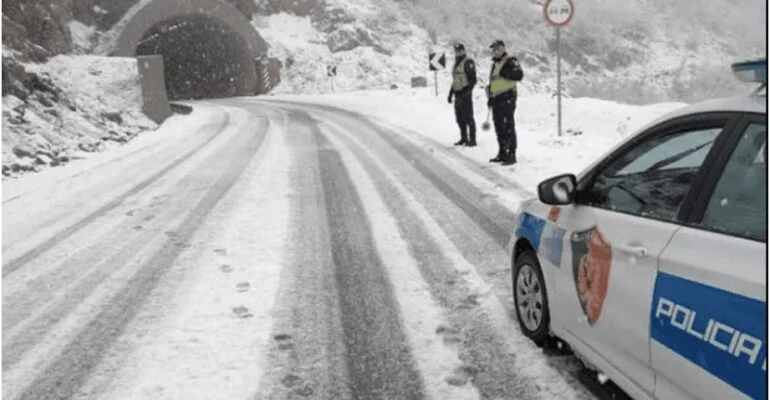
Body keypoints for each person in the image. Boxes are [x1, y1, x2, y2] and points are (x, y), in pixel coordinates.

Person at [486, 40, 523, 165]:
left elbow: (519, 75)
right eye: (494, 49)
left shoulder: (510, 61)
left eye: (497, 49)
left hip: (507, 97)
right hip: (496, 98)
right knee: (499, 127)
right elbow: (493, 82)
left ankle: (511, 155)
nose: (495, 51)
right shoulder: (494, 64)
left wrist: (506, 73)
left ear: (503, 48)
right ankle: (502, 153)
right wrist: (490, 97)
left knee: (508, 126)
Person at [447, 43, 478, 146]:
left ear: (464, 51)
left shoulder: (468, 62)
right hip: (457, 94)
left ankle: (472, 140)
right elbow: (455, 80)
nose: (458, 52)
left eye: (460, 50)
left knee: (468, 118)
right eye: (456, 51)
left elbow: (473, 79)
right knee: (459, 119)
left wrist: (468, 91)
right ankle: (464, 138)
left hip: (465, 94)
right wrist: (450, 94)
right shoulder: (456, 64)